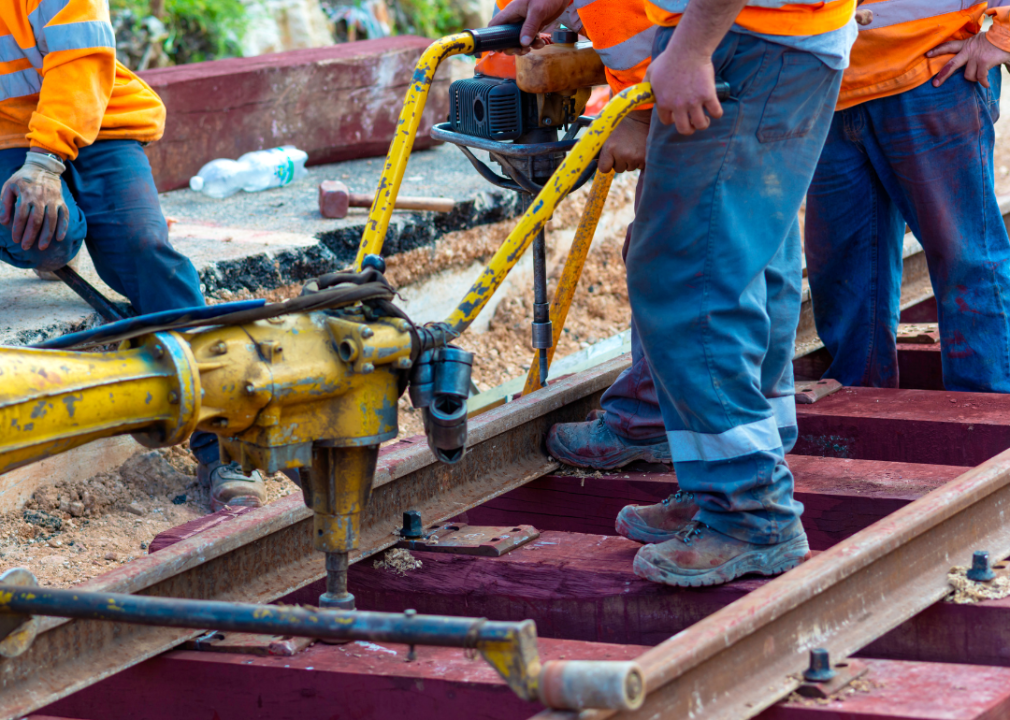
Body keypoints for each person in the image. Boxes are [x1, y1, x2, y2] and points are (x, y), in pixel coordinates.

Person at [493, 0, 856, 586]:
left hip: (745, 37)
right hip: (768, 36)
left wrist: (689, 49)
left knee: (690, 273)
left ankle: (750, 511)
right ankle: (718, 481)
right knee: (741, 256)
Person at [0, 0, 265, 511]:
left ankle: (225, 445)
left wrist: (46, 162)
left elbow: (80, 61)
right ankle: (59, 242)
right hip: (5, 139)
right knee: (41, 234)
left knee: (144, 249)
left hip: (96, 118)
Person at [804, 0, 1010, 391]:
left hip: (930, 72)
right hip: (827, 81)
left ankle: (986, 414)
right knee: (841, 272)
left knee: (966, 259)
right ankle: (861, 411)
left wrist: (1004, 35)